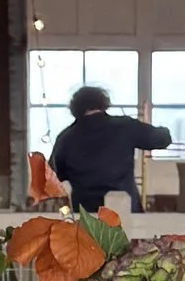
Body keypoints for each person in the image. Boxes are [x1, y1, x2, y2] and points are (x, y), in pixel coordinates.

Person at [50, 82, 169, 214]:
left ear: (74, 108)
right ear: (103, 102)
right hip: (126, 211)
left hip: (87, 215)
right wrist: (163, 130)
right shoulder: (124, 127)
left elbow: (52, 176)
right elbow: (162, 140)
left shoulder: (66, 138)